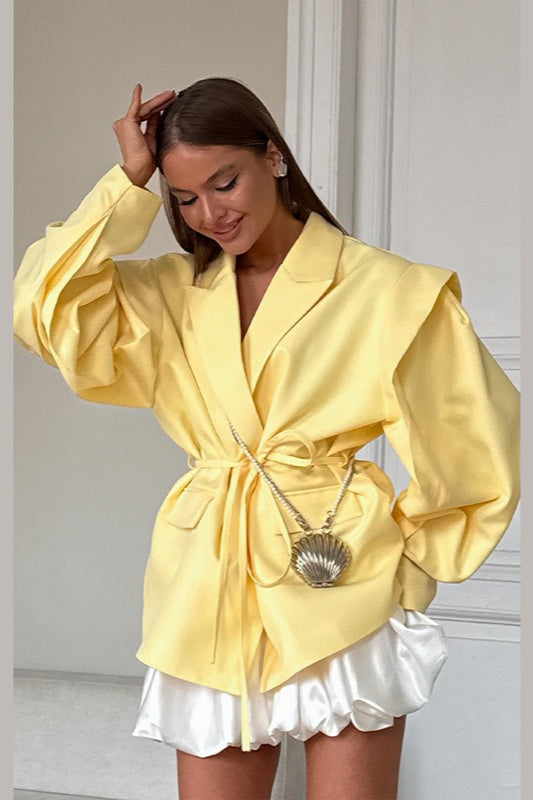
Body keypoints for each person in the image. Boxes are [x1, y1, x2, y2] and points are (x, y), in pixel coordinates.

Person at [13, 77, 520, 800]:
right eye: (185, 198)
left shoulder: (388, 289)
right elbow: (42, 309)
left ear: (273, 157)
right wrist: (127, 180)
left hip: (340, 574)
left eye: (225, 183)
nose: (211, 214)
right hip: (207, 580)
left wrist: (405, 570)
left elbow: (472, 447)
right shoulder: (167, 292)